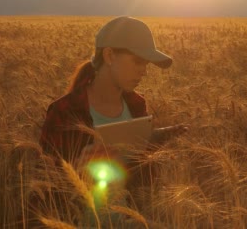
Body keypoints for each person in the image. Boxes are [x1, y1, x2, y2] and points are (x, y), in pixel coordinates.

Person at [37, 16, 188, 226]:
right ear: (109, 55)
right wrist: (77, 171)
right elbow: (43, 185)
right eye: (137, 61)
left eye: (146, 64)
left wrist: (156, 140)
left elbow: (135, 171)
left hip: (124, 219)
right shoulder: (65, 110)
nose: (144, 71)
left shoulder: (136, 106)